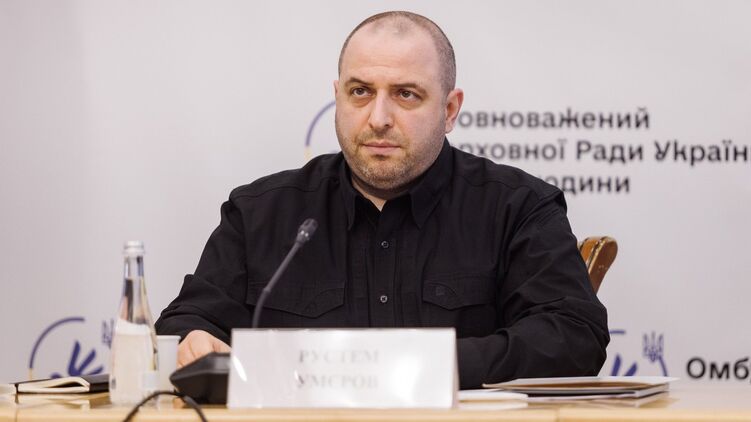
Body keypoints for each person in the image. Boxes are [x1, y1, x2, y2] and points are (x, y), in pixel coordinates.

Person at [155, 11, 609, 389]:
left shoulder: (517, 207)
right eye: (360, 92)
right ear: (337, 97)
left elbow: (574, 337)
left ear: (449, 110)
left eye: (406, 94)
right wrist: (193, 340)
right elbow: (185, 323)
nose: (378, 118)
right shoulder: (260, 213)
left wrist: (429, 367)